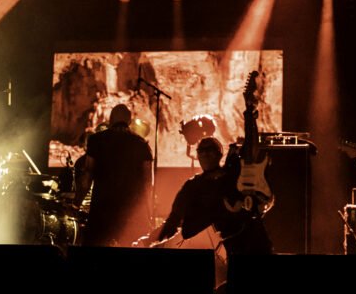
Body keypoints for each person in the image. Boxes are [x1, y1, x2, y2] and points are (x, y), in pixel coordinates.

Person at [153, 137, 273, 256]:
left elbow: (260, 202)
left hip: (245, 244)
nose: (205, 154)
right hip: (214, 249)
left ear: (219, 154)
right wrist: (154, 241)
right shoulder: (192, 186)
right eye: (201, 151)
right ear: (198, 156)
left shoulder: (234, 178)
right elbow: (174, 219)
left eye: (209, 150)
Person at [74, 104, 152, 247]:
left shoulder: (96, 140)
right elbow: (148, 183)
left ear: (110, 120)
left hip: (101, 212)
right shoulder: (142, 144)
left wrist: (76, 203)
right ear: (129, 121)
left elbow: (87, 177)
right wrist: (149, 213)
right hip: (131, 215)